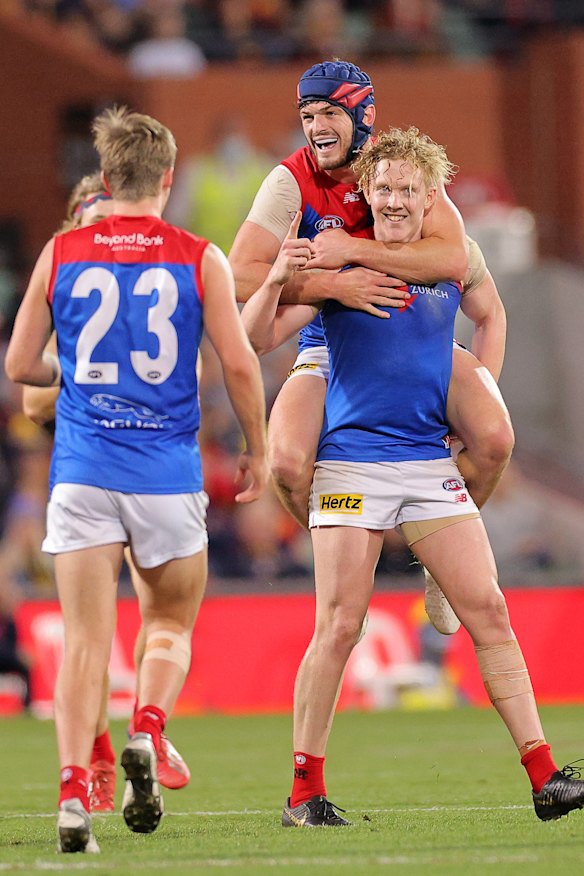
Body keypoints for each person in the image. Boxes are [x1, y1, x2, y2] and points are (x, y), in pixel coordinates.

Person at [242, 126, 584, 827]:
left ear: (432, 198)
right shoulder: (345, 273)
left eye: (408, 189)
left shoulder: (449, 259)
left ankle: (546, 774)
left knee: (488, 610)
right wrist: (283, 277)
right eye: (385, 188)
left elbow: (486, 307)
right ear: (366, 194)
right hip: (352, 462)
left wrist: (474, 390)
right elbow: (256, 338)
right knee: (339, 625)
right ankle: (304, 794)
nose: (395, 199)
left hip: (428, 462)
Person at [5, 105, 268, 853]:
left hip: (83, 471)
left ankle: (69, 802)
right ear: (168, 177)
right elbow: (240, 363)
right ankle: (148, 731)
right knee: (169, 625)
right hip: (166, 472)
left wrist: (83, 376)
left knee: (87, 643)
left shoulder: (61, 253)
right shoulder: (196, 255)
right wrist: (257, 445)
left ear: (106, 175)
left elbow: (21, 369)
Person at [229, 59, 514, 636]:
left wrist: (353, 254)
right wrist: (332, 285)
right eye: (307, 116)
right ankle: (337, 556)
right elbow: (239, 276)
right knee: (285, 463)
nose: (316, 128)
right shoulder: (291, 180)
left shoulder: (404, 171)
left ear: (364, 115)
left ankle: (442, 559)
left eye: (330, 113)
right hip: (329, 340)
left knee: (494, 438)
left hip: (419, 340)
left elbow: (454, 264)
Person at [22, 172, 194, 812]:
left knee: (132, 624)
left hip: (119, 473)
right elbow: (30, 397)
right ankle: (103, 749)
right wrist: (98, 376)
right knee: (102, 631)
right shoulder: (68, 288)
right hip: (98, 471)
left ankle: (139, 739)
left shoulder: (109, 284)